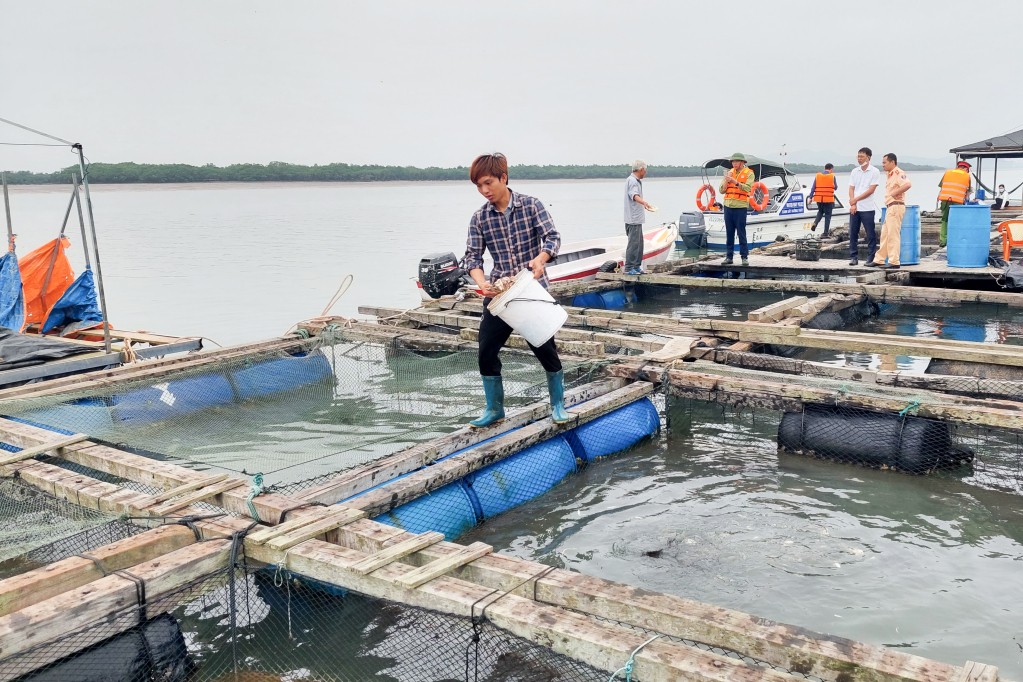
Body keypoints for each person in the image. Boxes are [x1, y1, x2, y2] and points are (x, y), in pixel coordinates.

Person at [462, 152, 570, 428]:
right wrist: (481, 283)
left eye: (488, 183)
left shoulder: (531, 206)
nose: (484, 190)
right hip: (499, 294)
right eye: (478, 186)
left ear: (503, 178)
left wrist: (541, 259)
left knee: (544, 348)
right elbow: (472, 258)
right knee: (486, 350)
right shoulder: (480, 218)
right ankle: (494, 409)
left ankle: (558, 404)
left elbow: (552, 237)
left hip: (530, 290)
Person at [867, 153, 912, 269]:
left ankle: (894, 261)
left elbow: (907, 184)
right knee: (885, 235)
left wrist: (894, 193)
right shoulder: (890, 175)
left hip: (896, 206)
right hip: (890, 207)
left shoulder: (898, 173)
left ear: (892, 162)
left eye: (884, 162)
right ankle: (879, 259)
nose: (883, 165)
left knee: (893, 234)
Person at [718, 152, 754, 266]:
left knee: (741, 232)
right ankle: (729, 257)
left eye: (737, 161)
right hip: (728, 206)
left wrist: (735, 182)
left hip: (740, 207)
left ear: (742, 162)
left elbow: (747, 188)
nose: (734, 163)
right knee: (729, 233)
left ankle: (744, 257)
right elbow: (721, 190)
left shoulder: (749, 173)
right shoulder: (729, 172)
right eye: (733, 161)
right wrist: (726, 180)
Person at [848, 147, 881, 265]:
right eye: (858, 156)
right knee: (853, 232)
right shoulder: (854, 171)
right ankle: (853, 257)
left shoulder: (874, 171)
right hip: (855, 208)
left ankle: (870, 257)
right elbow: (851, 188)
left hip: (867, 208)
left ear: (868, 157)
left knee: (870, 234)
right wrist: (853, 203)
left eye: (862, 156)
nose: (859, 159)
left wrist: (855, 200)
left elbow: (871, 190)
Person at [624, 160, 655, 275]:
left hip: (636, 219)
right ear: (641, 170)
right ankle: (628, 268)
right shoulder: (632, 181)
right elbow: (634, 195)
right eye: (645, 171)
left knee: (639, 244)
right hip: (633, 219)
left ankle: (636, 266)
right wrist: (644, 203)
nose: (645, 173)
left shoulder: (634, 180)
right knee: (633, 244)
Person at [936, 160, 971, 247]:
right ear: (966, 169)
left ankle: (943, 241)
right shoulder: (967, 176)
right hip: (958, 201)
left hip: (945, 200)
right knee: (957, 221)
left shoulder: (947, 173)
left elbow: (942, 187)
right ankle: (954, 240)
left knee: (945, 220)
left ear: (957, 167)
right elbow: (967, 193)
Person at [809, 163, 838, 236]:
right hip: (828, 199)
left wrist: (810, 197)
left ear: (825, 168)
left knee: (820, 212)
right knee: (828, 216)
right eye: (832, 170)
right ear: (831, 169)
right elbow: (835, 187)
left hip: (819, 199)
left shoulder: (818, 176)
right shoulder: (832, 176)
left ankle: (815, 223)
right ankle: (825, 233)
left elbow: (813, 188)